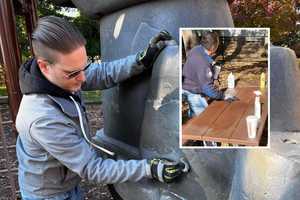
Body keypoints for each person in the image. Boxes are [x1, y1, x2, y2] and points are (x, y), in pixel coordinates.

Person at [16, 16, 188, 200]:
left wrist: (139, 61)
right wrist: (149, 168)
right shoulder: (42, 119)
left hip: (64, 182)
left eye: (84, 67)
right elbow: (92, 169)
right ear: (44, 66)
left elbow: (100, 73)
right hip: (48, 195)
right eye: (74, 73)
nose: (83, 78)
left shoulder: (61, 75)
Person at [182, 31, 236, 118]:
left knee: (194, 116)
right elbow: (208, 89)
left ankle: (192, 119)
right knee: (205, 118)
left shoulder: (197, 49)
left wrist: (212, 63)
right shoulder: (203, 63)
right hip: (192, 91)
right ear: (213, 47)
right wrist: (223, 96)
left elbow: (202, 61)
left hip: (186, 84)